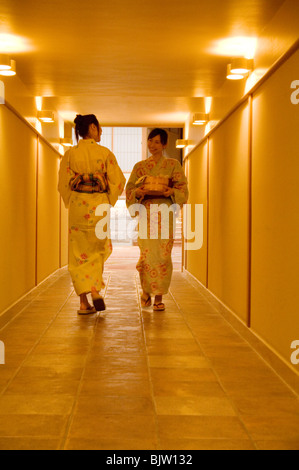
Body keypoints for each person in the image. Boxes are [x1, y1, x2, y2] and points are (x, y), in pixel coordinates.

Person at [58, 114, 125, 314]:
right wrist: (107, 195)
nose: (101, 131)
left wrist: (71, 198)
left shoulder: (70, 154)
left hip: (79, 204)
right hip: (98, 206)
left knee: (78, 252)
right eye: (100, 128)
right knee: (97, 248)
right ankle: (94, 289)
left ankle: (83, 302)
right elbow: (117, 181)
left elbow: (63, 183)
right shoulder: (104, 153)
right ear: (93, 128)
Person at [125, 128, 188, 311]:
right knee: (146, 254)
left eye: (157, 142)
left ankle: (158, 296)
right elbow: (130, 189)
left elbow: (183, 188)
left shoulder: (173, 164)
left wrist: (171, 192)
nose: (153, 146)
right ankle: (146, 291)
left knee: (163, 255)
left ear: (164, 144)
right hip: (146, 212)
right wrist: (137, 192)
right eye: (150, 141)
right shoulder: (139, 167)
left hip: (165, 211)